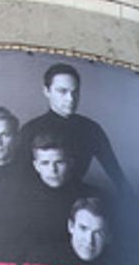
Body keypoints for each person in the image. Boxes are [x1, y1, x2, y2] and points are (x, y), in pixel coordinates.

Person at [19, 63, 130, 195]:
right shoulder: (30, 130)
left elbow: (118, 178)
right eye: (62, 91)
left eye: (75, 92)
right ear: (47, 91)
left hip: (78, 203)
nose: (70, 99)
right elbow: (17, 179)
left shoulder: (91, 129)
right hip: (36, 203)